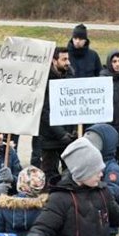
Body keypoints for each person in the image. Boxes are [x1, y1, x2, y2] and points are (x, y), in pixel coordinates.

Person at [38, 47, 76, 182]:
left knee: (70, 173)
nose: (68, 62)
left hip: (68, 136)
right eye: (64, 59)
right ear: (54, 61)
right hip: (49, 137)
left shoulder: (71, 76)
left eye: (68, 59)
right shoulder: (44, 80)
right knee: (49, 175)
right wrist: (60, 133)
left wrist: (73, 130)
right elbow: (44, 111)